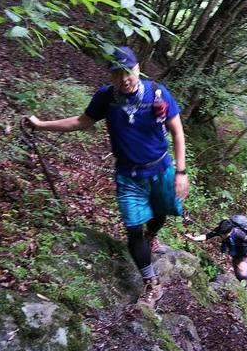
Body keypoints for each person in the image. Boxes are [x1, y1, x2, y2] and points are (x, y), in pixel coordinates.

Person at [26, 46, 189, 307]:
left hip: (161, 169)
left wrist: (181, 172)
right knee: (132, 228)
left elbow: (177, 132)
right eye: (117, 74)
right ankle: (151, 283)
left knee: (160, 212)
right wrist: (41, 125)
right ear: (110, 76)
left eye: (128, 72)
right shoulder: (106, 97)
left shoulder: (158, 93)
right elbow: (81, 122)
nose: (124, 79)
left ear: (137, 69)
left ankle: (152, 236)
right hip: (128, 175)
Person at [184, 218, 247, 282]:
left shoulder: (239, 233)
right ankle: (242, 286)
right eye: (221, 234)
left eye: (224, 235)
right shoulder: (220, 230)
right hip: (235, 253)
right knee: (238, 275)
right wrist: (194, 238)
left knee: (244, 274)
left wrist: (245, 261)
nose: (222, 236)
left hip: (245, 253)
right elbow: (207, 236)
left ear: (230, 231)